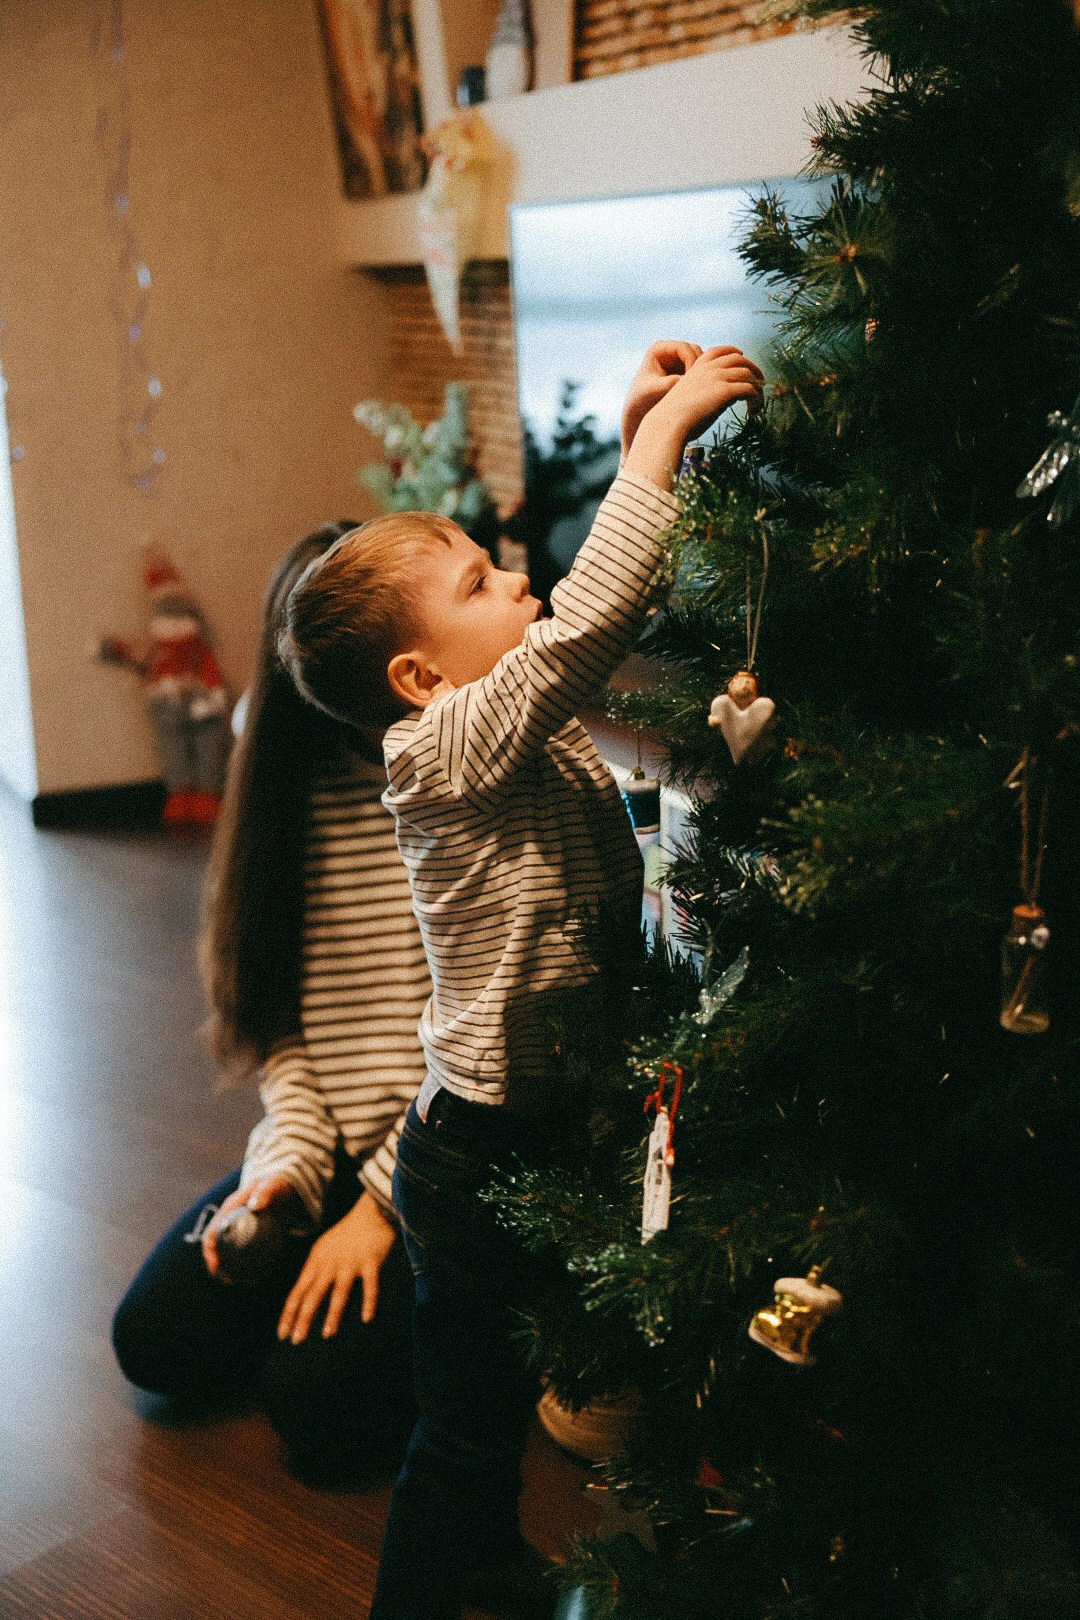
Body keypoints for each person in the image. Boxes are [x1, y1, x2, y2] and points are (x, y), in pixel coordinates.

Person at [280, 342, 764, 1616]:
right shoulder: (437, 751)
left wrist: (637, 439)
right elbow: (587, 622)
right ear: (419, 678)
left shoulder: (515, 714)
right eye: (485, 581)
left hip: (559, 1115)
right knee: (466, 1425)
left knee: (544, 1379)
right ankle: (435, 1583)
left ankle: (497, 1556)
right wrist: (651, 456)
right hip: (478, 1152)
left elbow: (613, 633)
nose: (524, 583)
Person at [111, 523, 431, 1485]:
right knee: (154, 1342)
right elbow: (283, 1032)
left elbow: (485, 1049)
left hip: (440, 1167)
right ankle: (320, 1279)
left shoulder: (452, 787)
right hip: (340, 1155)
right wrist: (285, 1179)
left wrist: (377, 1213)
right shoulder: (288, 789)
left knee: (319, 1411)